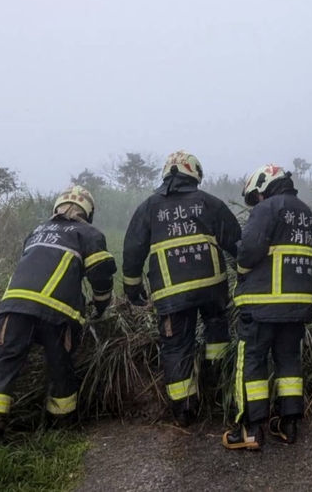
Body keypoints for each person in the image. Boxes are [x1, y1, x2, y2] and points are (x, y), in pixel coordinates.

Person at [0, 185, 117, 452]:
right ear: (87, 212)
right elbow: (101, 273)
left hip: (12, 308)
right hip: (58, 313)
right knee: (60, 368)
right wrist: (102, 304)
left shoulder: (36, 232)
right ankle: (61, 426)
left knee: (0, 366)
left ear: (56, 207)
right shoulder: (89, 233)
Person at [121, 150, 241, 427]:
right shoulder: (210, 203)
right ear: (195, 174)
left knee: (176, 346)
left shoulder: (148, 207)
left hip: (171, 294)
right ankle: (217, 389)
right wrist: (244, 276)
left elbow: (132, 251)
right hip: (213, 289)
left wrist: (132, 289)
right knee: (217, 334)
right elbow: (236, 242)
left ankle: (184, 409)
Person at [223, 164, 312, 450]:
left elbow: (249, 251)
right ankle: (289, 426)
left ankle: (250, 431)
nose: (257, 202)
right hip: (297, 307)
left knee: (252, 362)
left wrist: (239, 267)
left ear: (264, 186)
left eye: (257, 196)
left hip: (261, 305)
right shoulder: (307, 213)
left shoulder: (267, 210)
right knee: (289, 361)